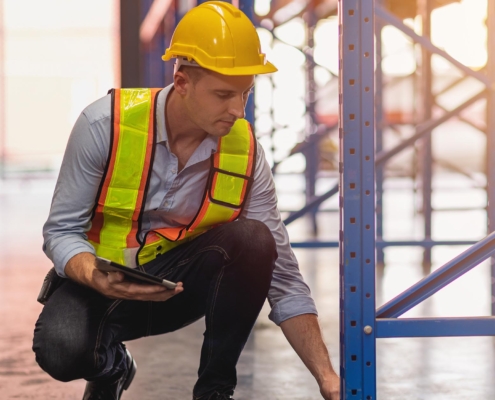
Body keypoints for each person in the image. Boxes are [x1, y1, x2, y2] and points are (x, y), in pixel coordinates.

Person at [32, 2, 340, 399]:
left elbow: (282, 276)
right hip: (99, 283)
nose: (237, 110)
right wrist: (93, 275)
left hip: (176, 289)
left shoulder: (244, 150)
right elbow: (61, 231)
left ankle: (214, 392)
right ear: (181, 81)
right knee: (60, 350)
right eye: (223, 94)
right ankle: (112, 368)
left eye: (245, 93)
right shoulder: (104, 126)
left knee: (255, 239)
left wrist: (326, 378)